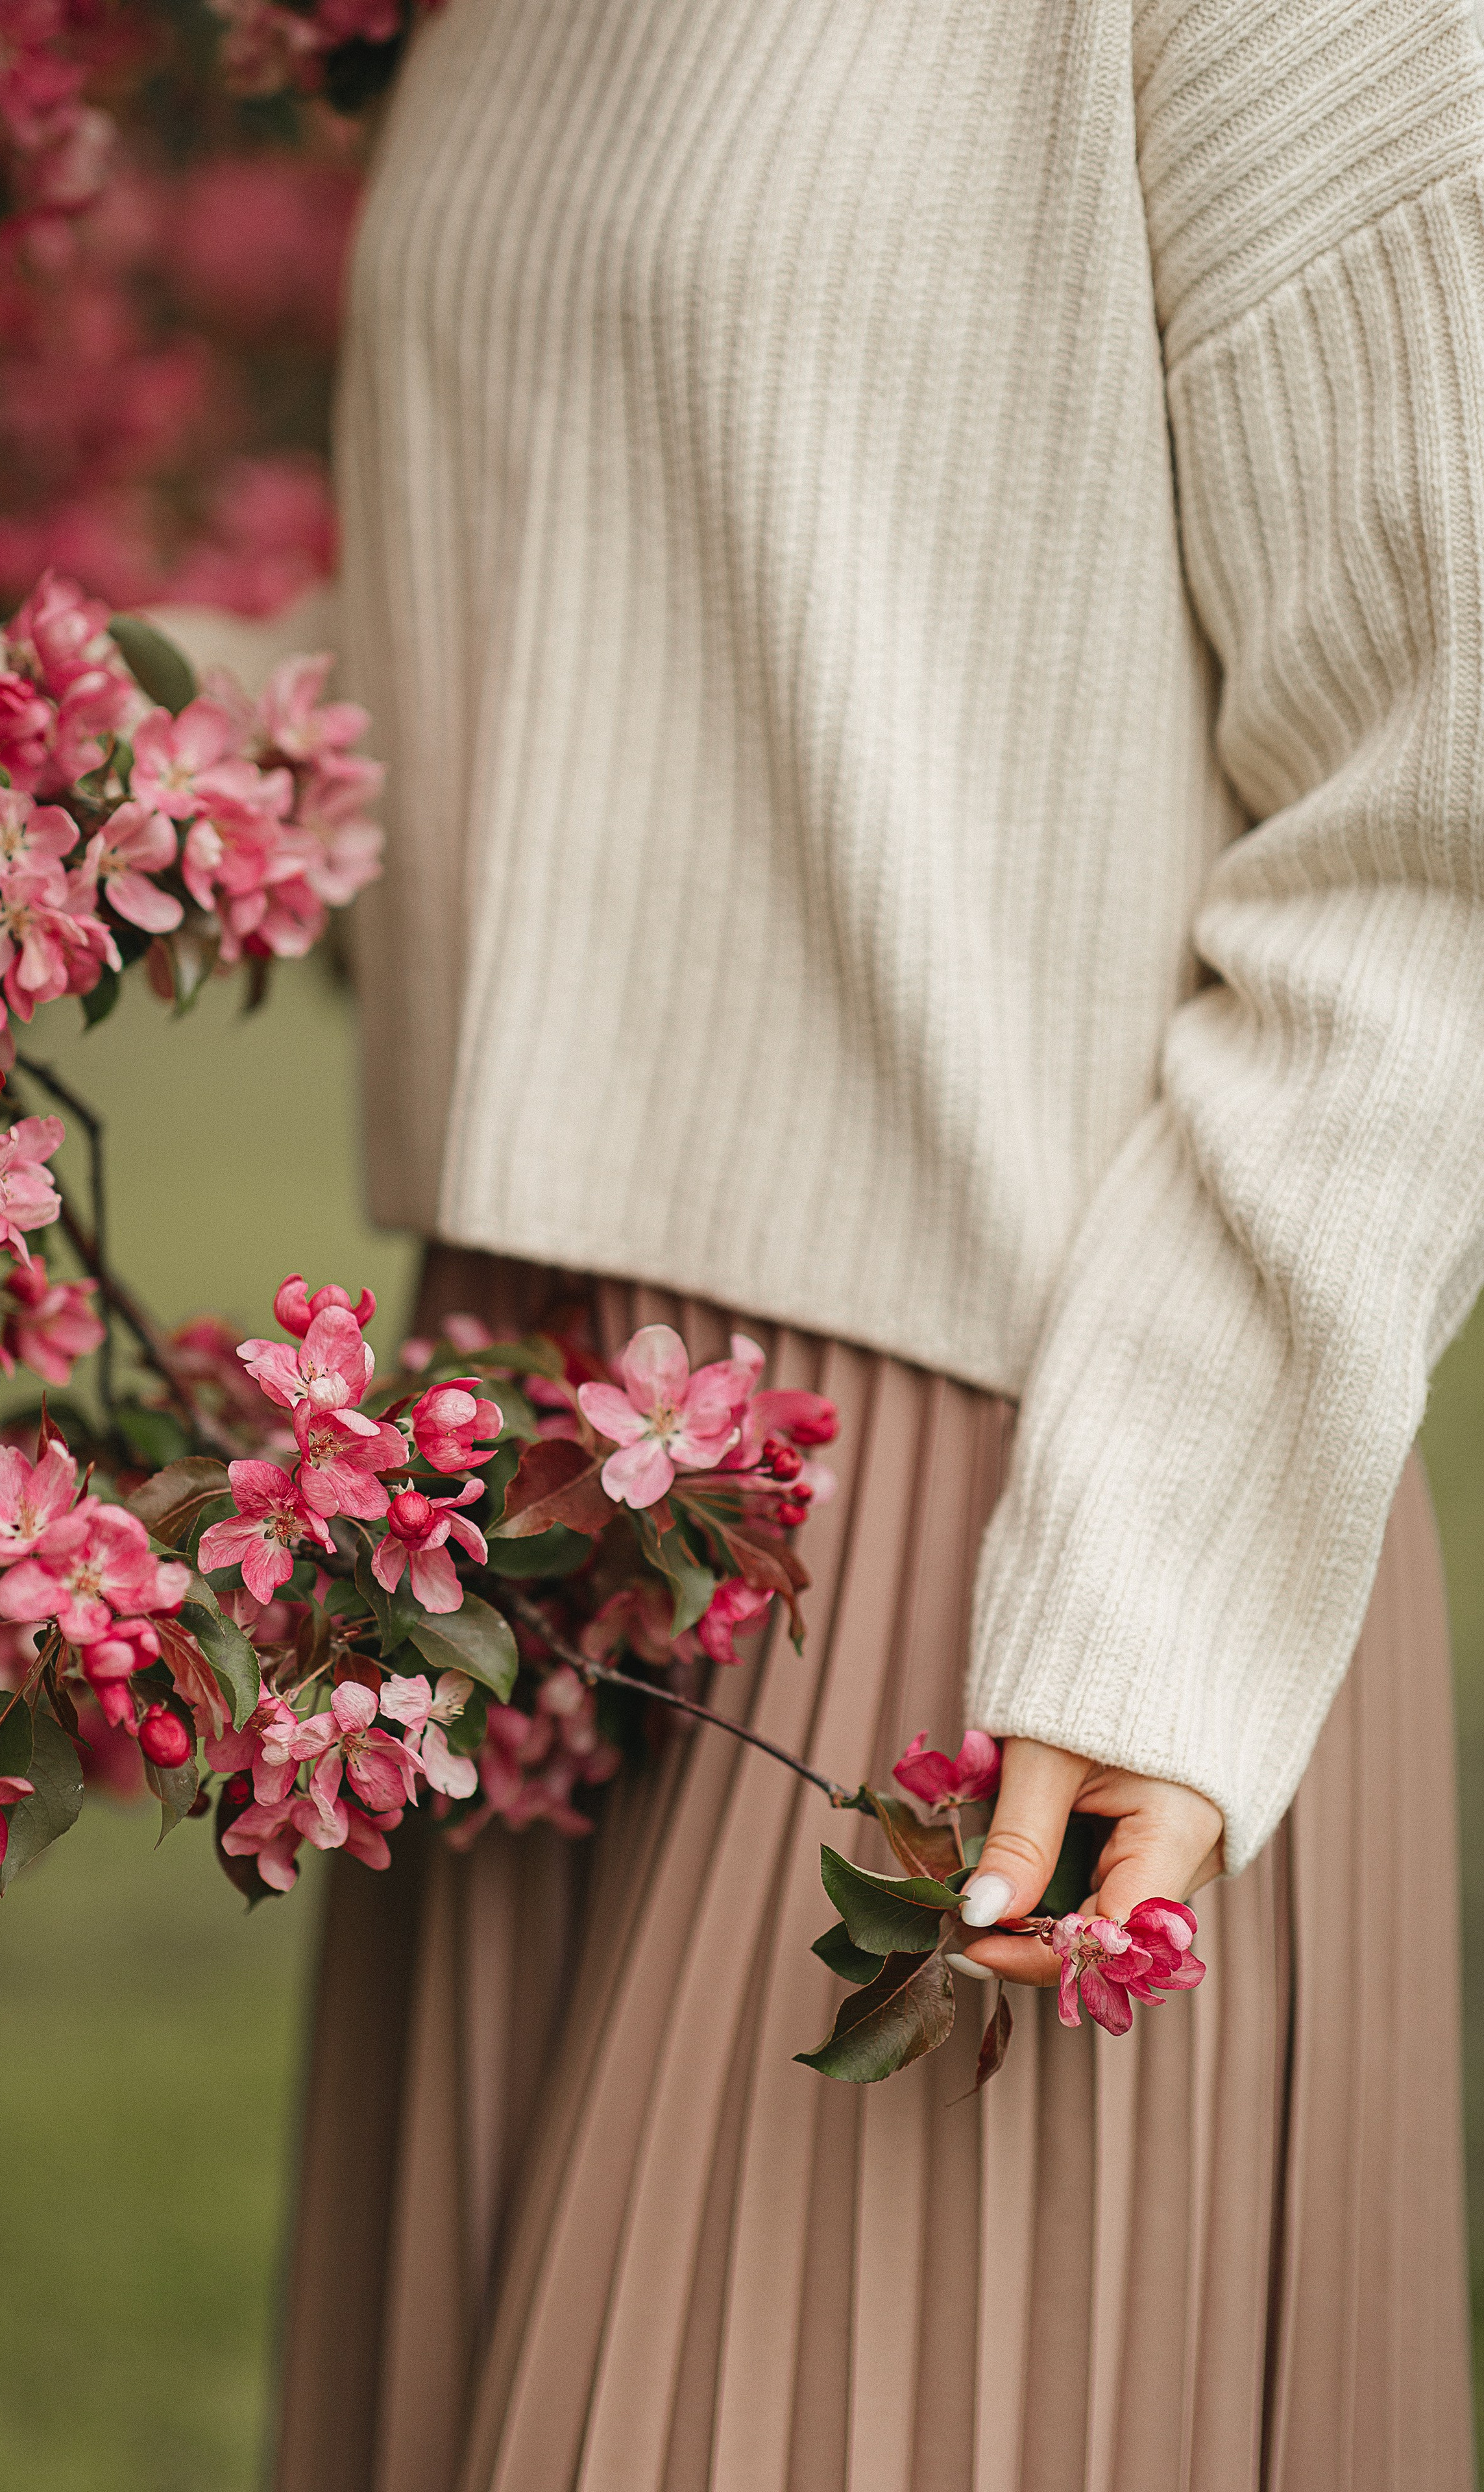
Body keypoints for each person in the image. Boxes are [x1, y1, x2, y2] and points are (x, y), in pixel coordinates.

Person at [276, 3, 1483, 2485]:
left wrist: (1163, 1577)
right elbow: (613, 644)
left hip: (1010, 1534)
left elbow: (1437, 826)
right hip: (517, 1481)